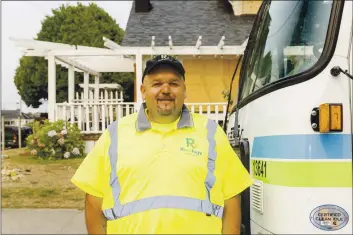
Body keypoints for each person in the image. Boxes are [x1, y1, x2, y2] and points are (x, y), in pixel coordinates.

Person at [71, 55, 253, 234]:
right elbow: (94, 201)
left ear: (185, 90)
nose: (165, 90)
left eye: (174, 83)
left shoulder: (211, 133)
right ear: (143, 91)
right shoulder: (115, 134)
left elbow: (231, 201)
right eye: (156, 84)